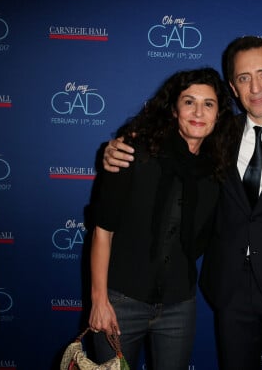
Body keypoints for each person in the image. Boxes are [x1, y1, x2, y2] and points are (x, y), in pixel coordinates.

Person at [102, 36, 262, 370]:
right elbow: (167, 142)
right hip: (230, 290)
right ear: (233, 88)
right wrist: (118, 148)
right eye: (243, 78)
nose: (255, 87)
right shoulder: (216, 134)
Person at [88, 67, 235, 370]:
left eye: (208, 104)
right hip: (120, 301)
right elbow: (103, 231)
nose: (198, 111)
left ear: (218, 115)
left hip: (178, 306)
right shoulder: (133, 152)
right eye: (189, 101)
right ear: (173, 110)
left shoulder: (217, 170)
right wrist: (99, 301)